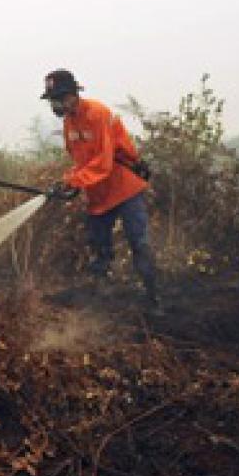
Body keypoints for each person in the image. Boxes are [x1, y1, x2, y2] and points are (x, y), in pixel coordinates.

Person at [42, 69, 161, 309]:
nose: (56, 104)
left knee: (139, 243)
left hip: (123, 187)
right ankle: (103, 300)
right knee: (99, 247)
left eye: (59, 98)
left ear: (73, 94)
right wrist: (68, 181)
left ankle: (154, 297)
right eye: (53, 99)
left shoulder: (98, 114)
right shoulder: (69, 124)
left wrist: (75, 181)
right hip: (98, 193)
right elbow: (81, 162)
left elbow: (104, 163)